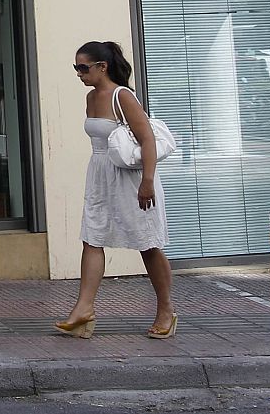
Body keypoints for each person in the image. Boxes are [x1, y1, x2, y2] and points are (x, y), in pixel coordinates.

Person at [55, 40, 176, 339]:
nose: (79, 74)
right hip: (99, 175)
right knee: (92, 238)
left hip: (130, 178)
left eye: (83, 68)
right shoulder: (90, 99)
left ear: (102, 67)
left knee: (147, 243)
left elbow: (147, 140)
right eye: (76, 68)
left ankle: (166, 310)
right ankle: (83, 309)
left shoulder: (123, 97)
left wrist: (147, 181)